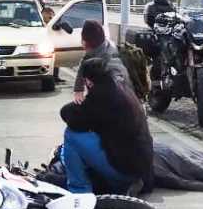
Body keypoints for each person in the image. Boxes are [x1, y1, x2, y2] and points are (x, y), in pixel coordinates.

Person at [59, 58, 154, 195]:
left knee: (71, 134)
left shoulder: (101, 96)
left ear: (88, 82)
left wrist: (83, 99)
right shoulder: (122, 87)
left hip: (124, 170)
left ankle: (80, 190)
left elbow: (67, 114)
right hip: (141, 168)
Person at [72, 20, 131, 105]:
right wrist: (78, 89)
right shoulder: (98, 47)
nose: (82, 43)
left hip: (115, 102)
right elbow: (83, 65)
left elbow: (111, 89)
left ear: (88, 41)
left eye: (84, 40)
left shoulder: (107, 57)